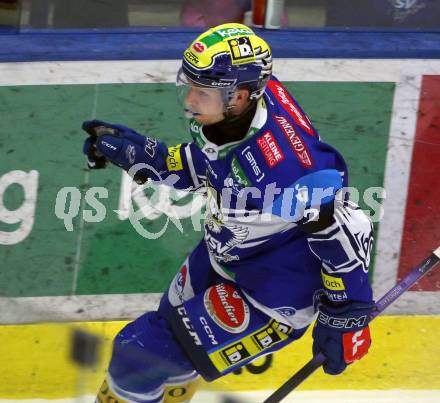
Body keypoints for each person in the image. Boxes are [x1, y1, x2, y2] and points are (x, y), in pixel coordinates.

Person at [83, 23, 375, 403]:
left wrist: (346, 311)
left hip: (274, 292)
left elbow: (339, 229)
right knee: (166, 347)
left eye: (201, 92)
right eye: (189, 86)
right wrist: (148, 158)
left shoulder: (286, 166)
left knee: (137, 357)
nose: (190, 100)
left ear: (238, 96)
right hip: (230, 251)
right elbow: (215, 166)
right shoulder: (237, 112)